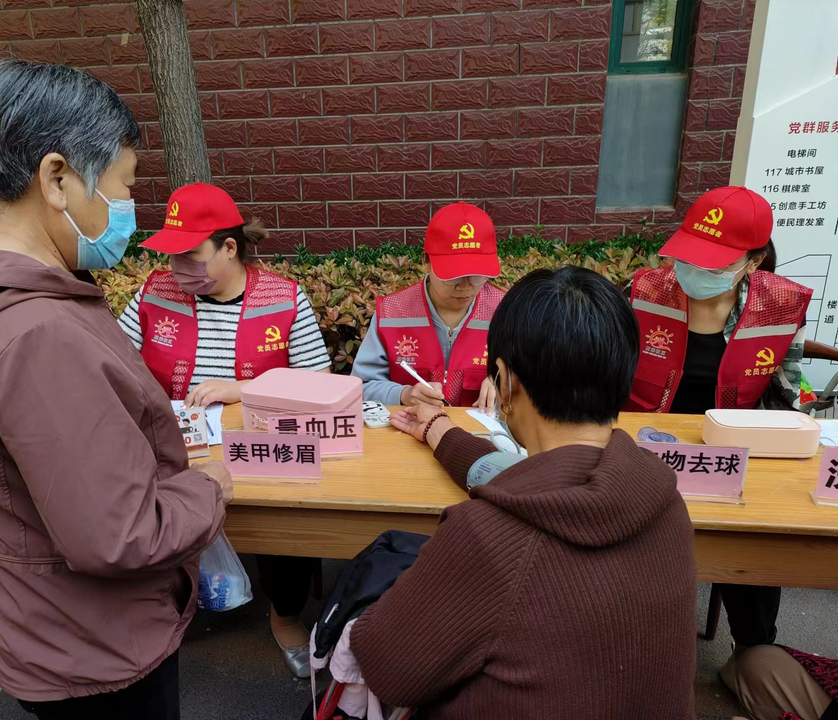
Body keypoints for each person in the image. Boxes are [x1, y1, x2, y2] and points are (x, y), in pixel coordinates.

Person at [0, 60, 230, 720]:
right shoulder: (39, 333)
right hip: (98, 648)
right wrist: (207, 489)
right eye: (124, 184)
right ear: (57, 178)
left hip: (38, 627)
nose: (128, 209)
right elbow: (118, 535)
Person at [349, 267, 698, 718]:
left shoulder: (487, 535)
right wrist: (438, 429)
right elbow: (525, 478)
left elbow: (387, 668)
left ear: (505, 381)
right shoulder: (662, 499)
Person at [117, 182, 331, 679]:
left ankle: (284, 614)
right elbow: (116, 362)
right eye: (171, 256)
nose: (177, 269)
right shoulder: (154, 293)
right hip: (170, 447)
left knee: (287, 516)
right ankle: (169, 607)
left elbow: (319, 384)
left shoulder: (283, 299)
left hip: (258, 446)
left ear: (229, 247)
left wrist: (242, 389)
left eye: (189, 257)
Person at [623, 186, 812, 703]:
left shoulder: (783, 305)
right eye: (688, 257)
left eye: (714, 263)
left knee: (758, 541)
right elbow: (608, 376)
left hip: (735, 453)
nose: (694, 271)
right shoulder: (642, 291)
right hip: (645, 448)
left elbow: (783, 396)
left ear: (753, 261)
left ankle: (754, 657)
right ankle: (630, 651)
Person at [352, 202, 500, 411]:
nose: (465, 287)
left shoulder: (505, 310)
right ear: (426, 261)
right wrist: (403, 394)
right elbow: (360, 387)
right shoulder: (393, 312)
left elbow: (536, 380)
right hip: (409, 427)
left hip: (481, 430)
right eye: (453, 276)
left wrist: (506, 383)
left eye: (477, 276)